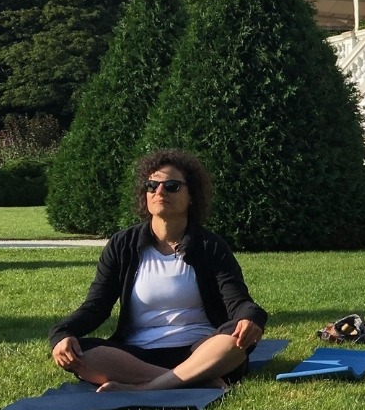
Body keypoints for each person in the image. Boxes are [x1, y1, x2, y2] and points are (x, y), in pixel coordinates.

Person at [49, 149, 267, 392]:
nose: (159, 192)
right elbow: (96, 306)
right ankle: (196, 380)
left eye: (172, 186)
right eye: (152, 185)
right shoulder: (123, 245)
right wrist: (63, 333)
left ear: (191, 195)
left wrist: (250, 318)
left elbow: (237, 300)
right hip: (137, 356)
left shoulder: (209, 246)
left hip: (200, 349)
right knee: (81, 351)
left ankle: (146, 388)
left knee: (234, 341)